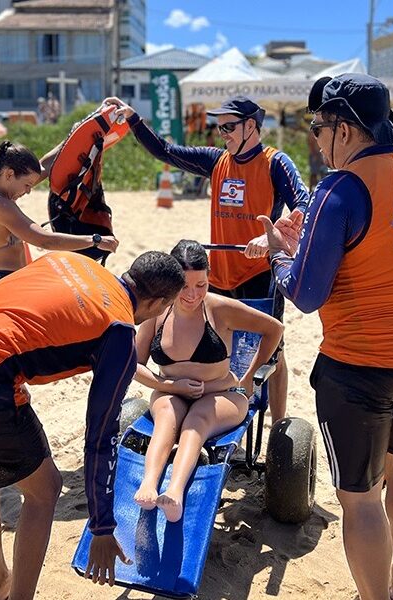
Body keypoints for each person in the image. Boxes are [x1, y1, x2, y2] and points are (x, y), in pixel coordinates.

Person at [259, 74, 393, 600]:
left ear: (344, 129)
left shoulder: (342, 186)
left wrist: (280, 252)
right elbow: (391, 250)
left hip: (363, 363)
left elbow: (304, 292)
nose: (316, 140)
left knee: (362, 499)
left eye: (318, 127)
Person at [0, 250, 185, 600]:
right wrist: (102, 526)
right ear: (159, 304)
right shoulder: (119, 332)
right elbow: (100, 435)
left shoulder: (74, 261)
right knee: (45, 489)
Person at [105, 94, 310, 424]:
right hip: (219, 276)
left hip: (258, 273)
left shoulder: (275, 162)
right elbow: (166, 152)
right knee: (222, 349)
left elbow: (303, 202)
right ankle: (221, 414)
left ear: (251, 127)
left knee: (274, 351)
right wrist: (133, 119)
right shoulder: (217, 161)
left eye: (229, 126)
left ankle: (278, 424)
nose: (222, 133)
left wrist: (272, 236)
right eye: (219, 127)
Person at [132, 240, 283, 522]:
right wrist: (169, 387)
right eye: (184, 286)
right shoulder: (158, 312)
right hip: (171, 392)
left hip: (222, 394)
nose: (192, 294)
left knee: (197, 419)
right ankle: (149, 484)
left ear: (208, 277)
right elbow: (133, 365)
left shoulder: (220, 308)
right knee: (166, 415)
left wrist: (250, 376)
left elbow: (274, 329)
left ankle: (175, 491)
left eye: (201, 285)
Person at [0, 141, 119, 289]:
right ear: (10, 174)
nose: (28, 191)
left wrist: (74, 138)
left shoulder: (0, 189)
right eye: (27, 185)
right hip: (3, 283)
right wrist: (95, 240)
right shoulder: (0, 205)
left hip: (11, 279)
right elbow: (44, 240)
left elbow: (44, 166)